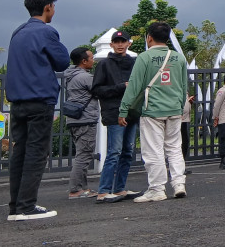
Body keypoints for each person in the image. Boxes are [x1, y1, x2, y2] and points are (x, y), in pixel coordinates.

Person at [5, 0, 70, 221]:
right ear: (48, 8)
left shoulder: (18, 31)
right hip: (40, 99)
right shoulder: (46, 31)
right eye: (53, 6)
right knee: (36, 153)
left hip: (18, 100)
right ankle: (27, 206)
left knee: (19, 153)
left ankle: (15, 207)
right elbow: (62, 61)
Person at [118, 22, 189, 202]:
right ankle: (179, 184)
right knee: (174, 148)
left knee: (153, 151)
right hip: (174, 109)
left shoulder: (144, 57)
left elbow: (134, 86)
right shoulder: (179, 58)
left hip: (152, 110)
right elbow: (183, 86)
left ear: (149, 37)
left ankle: (157, 189)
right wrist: (180, 106)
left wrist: (123, 109)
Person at [91, 29, 142, 203]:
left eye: (123, 41)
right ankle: (103, 191)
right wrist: (121, 87)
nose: (120, 45)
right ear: (111, 44)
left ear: (129, 43)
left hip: (132, 112)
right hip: (114, 113)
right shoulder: (104, 65)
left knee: (128, 152)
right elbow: (97, 90)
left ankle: (119, 188)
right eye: (117, 42)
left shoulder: (135, 63)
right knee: (114, 151)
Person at [63, 47, 99, 199]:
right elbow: (100, 90)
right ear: (84, 61)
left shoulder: (71, 76)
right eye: (91, 58)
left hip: (74, 120)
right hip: (85, 119)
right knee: (84, 155)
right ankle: (76, 189)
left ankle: (83, 188)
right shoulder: (85, 77)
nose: (93, 60)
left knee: (82, 154)